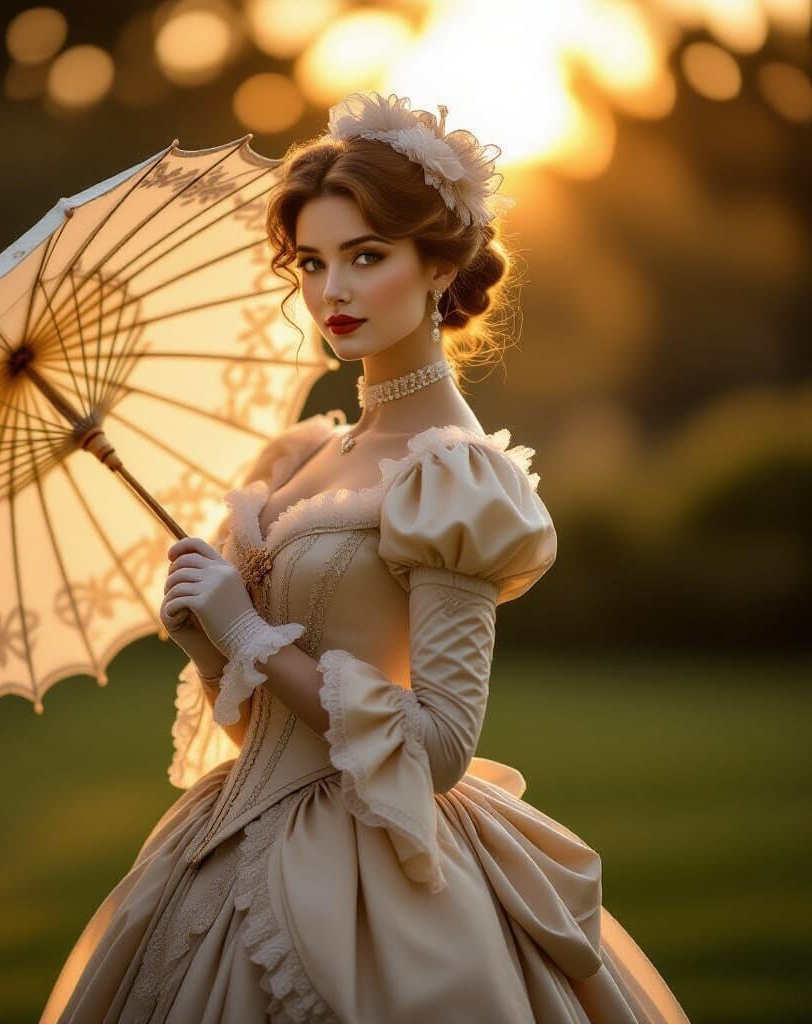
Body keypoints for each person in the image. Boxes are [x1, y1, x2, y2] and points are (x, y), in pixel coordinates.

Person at [39, 92, 690, 1024]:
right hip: (225, 844)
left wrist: (248, 630)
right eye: (310, 262)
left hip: (375, 887)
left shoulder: (456, 479)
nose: (330, 291)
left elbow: (435, 752)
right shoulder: (305, 456)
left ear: (439, 268)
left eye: (366, 257)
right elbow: (268, 735)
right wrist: (208, 643)